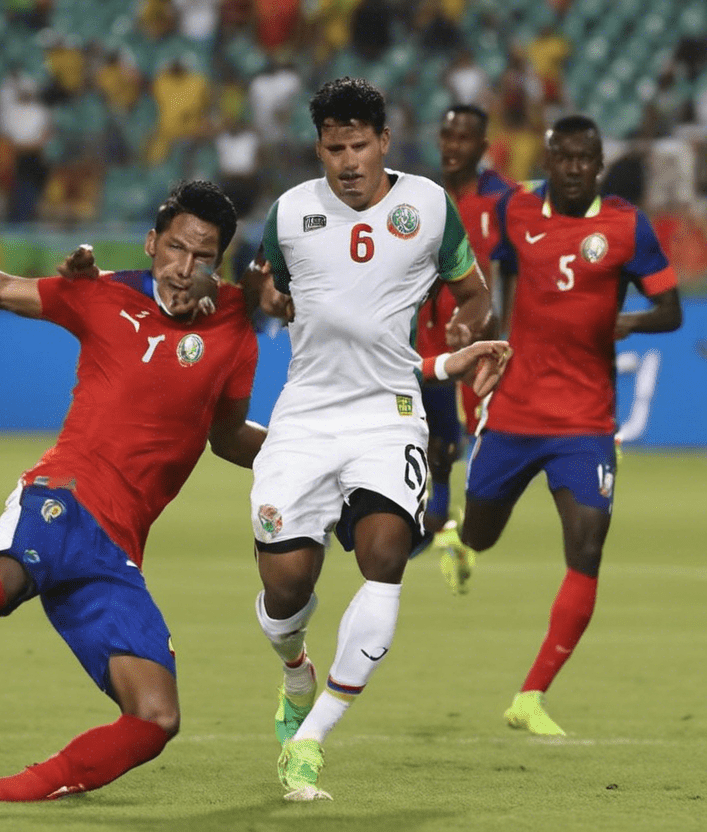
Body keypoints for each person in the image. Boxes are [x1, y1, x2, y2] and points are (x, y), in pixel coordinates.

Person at [0, 178, 510, 801]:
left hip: (116, 551)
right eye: (175, 249)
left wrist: (312, 460)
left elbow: (227, 436)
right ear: (151, 242)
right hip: (60, 498)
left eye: (203, 257)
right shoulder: (100, 294)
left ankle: (9, 791)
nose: (185, 267)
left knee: (156, 720)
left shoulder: (235, 328)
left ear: (221, 262)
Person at [246, 77, 494, 801]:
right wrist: (269, 293)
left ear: (384, 141)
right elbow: (271, 284)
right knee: (286, 586)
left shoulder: (427, 206)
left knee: (384, 556)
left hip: (389, 411)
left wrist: (466, 328)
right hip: (305, 416)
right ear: (318, 147)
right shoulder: (291, 211)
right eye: (333, 147)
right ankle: (296, 674)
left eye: (359, 145)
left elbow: (474, 292)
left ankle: (310, 740)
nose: (347, 161)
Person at [433, 115, 682, 735]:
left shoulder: (626, 226)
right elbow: (502, 274)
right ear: (549, 161)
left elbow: (671, 309)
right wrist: (487, 330)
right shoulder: (517, 213)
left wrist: (627, 323)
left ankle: (532, 695)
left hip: (585, 420)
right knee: (485, 533)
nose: (574, 168)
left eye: (585, 158)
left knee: (588, 543)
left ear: (599, 164)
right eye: (563, 158)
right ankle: (464, 542)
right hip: (515, 410)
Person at [414, 105, 514, 565]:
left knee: (480, 434)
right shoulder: (424, 197)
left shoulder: (503, 201)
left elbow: (509, 271)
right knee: (436, 437)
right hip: (430, 333)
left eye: (463, 138)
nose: (452, 146)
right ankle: (435, 521)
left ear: (483, 146)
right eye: (447, 135)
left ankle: (463, 528)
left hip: (483, 335)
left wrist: (495, 325)